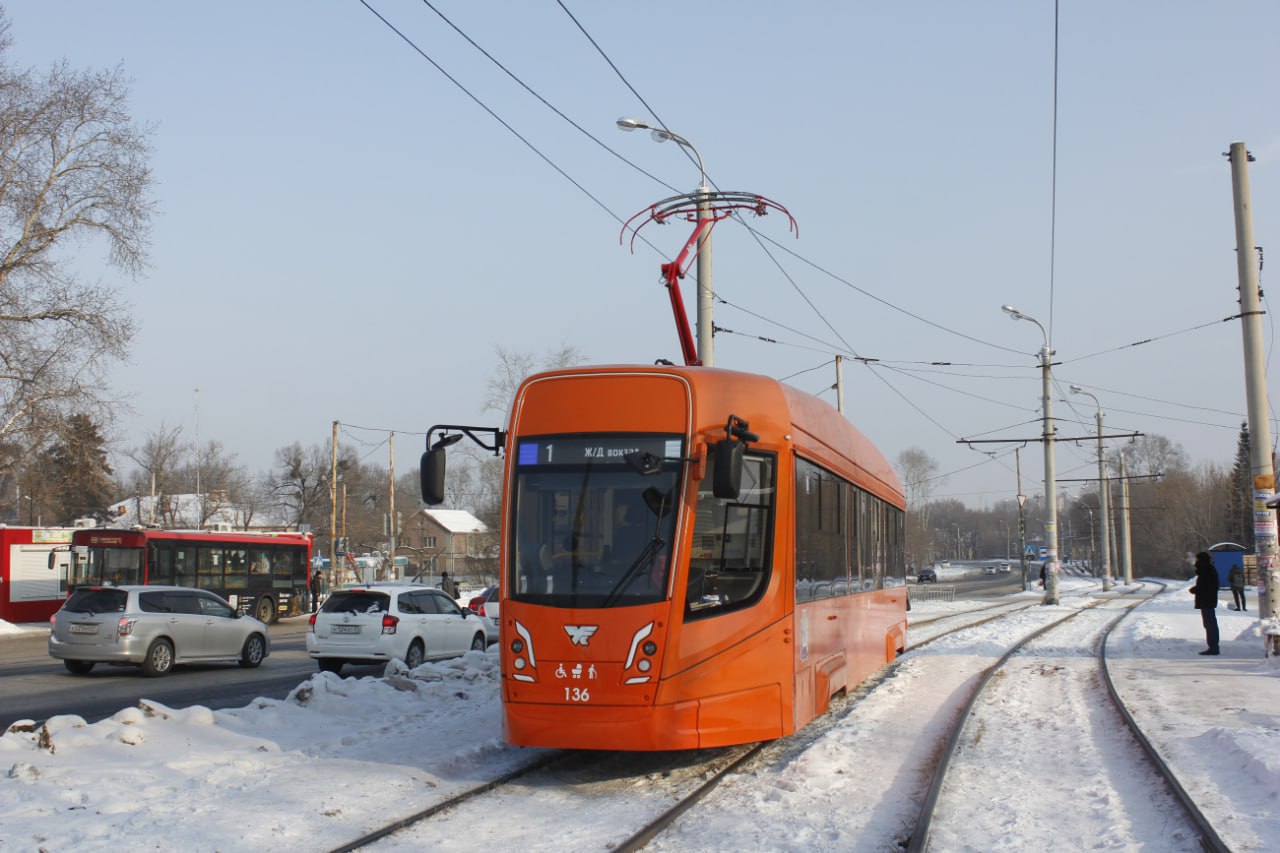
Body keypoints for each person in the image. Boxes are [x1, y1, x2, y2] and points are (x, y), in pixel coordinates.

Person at [1190, 551, 1220, 655]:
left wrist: (1196, 590)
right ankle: (1213, 646)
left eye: (1198, 560)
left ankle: (1213, 647)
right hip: (1207, 601)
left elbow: (1206, 587)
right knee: (1209, 624)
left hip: (1207, 601)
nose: (1196, 562)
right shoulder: (1207, 570)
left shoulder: (1207, 571)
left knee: (1210, 624)